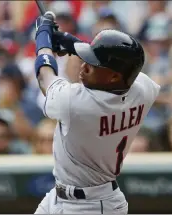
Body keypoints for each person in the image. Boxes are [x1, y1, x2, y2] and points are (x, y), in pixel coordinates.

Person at [32, 12, 160, 214]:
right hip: (63, 198)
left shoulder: (77, 103)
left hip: (91, 206)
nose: (84, 66)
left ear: (114, 76)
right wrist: (70, 42)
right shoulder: (143, 88)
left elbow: (44, 76)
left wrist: (42, 41)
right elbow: (123, 64)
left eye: (93, 65)